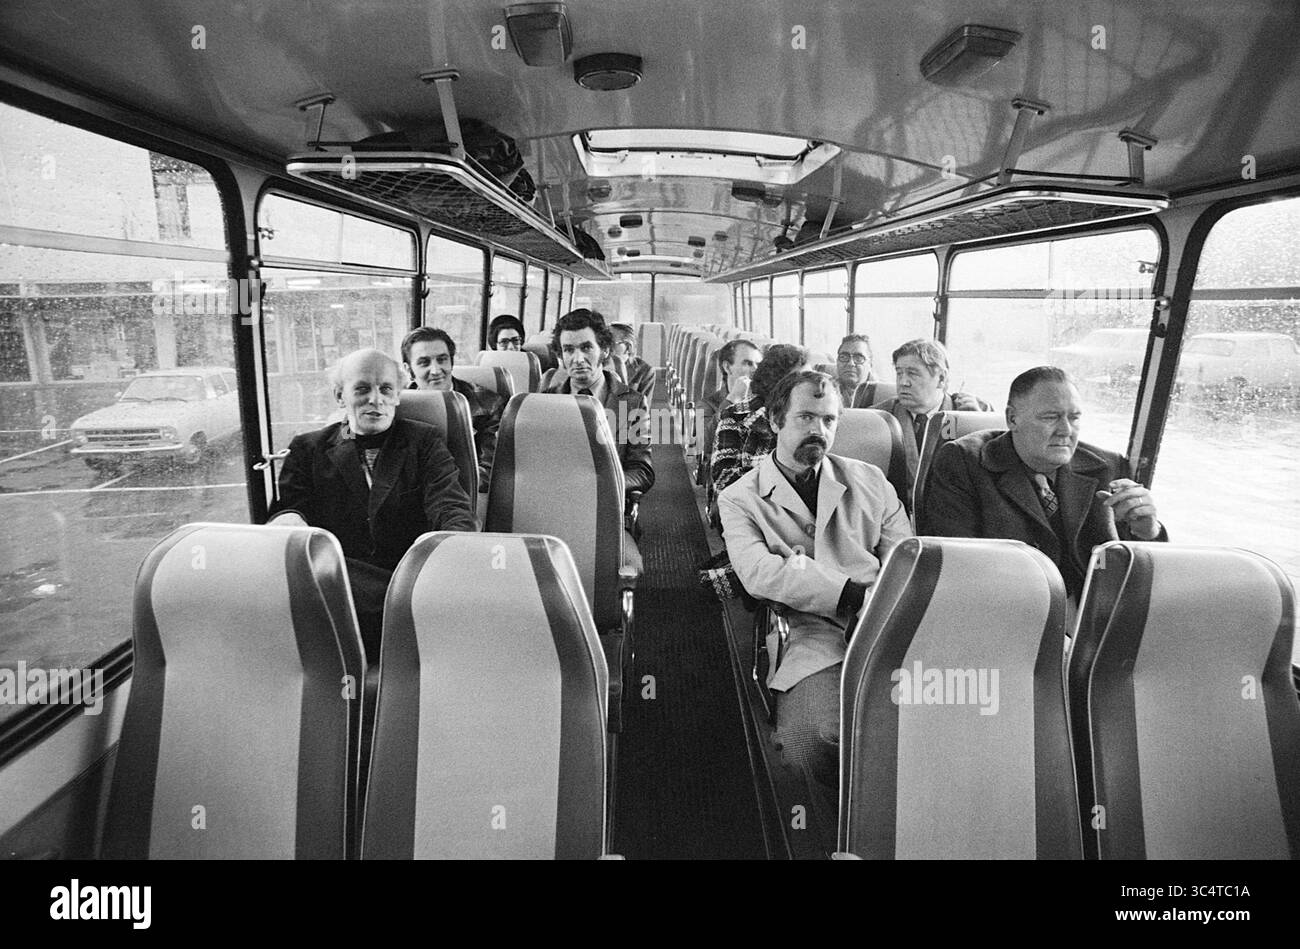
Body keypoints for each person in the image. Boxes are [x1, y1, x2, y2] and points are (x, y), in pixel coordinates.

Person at [719, 370, 912, 856]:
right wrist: (849, 593)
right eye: (806, 417)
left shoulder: (870, 482)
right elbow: (760, 575)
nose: (819, 431)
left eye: (829, 419)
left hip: (891, 623)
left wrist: (809, 574)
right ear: (774, 420)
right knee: (810, 742)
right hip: (810, 632)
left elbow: (905, 560)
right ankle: (841, 832)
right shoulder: (740, 498)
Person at [269, 348, 475, 654]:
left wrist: (456, 547)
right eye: (362, 389)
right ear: (340, 396)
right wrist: (288, 521)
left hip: (409, 577)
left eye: (386, 389)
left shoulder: (425, 443)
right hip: (336, 581)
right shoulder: (307, 449)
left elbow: (448, 504)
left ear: (398, 396)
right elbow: (288, 508)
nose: (375, 399)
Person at [920, 366, 1166, 603]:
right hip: (1008, 608)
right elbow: (961, 567)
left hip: (1095, 613)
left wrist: (1147, 532)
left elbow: (1140, 576)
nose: (1066, 430)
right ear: (1012, 418)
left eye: (1074, 417)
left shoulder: (1107, 467)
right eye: (1051, 417)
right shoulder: (963, 463)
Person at [541, 308, 654, 499]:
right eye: (569, 350)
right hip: (553, 499)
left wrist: (600, 486)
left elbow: (642, 471)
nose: (578, 359)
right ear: (561, 355)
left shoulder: (632, 403)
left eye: (586, 348)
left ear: (605, 350)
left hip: (607, 502)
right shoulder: (544, 403)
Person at [871, 338, 994, 501]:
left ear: (941, 379)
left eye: (912, 374)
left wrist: (976, 428)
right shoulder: (880, 417)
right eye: (899, 373)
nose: (903, 382)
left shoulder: (971, 414)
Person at [400, 326, 504, 492]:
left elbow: (489, 471)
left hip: (464, 494)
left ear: (451, 362)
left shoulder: (489, 404)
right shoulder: (396, 405)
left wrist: (441, 492)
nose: (435, 370)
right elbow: (348, 432)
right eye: (424, 363)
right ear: (408, 370)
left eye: (442, 360)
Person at [709, 343, 809, 505]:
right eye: (801, 382)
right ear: (777, 385)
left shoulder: (817, 422)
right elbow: (724, 483)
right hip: (754, 511)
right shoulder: (736, 417)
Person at [696, 339, 762, 487]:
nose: (755, 369)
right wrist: (733, 399)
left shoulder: (764, 402)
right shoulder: (707, 404)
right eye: (748, 363)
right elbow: (704, 444)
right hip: (725, 474)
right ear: (727, 367)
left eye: (758, 364)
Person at [609, 322, 656, 402]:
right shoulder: (598, 365)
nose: (606, 347)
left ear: (628, 346)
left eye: (611, 343)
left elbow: (642, 410)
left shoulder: (645, 371)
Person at [834, 333, 879, 407]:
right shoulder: (827, 392)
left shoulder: (880, 395)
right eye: (844, 357)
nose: (850, 363)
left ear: (870, 364)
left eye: (858, 358)